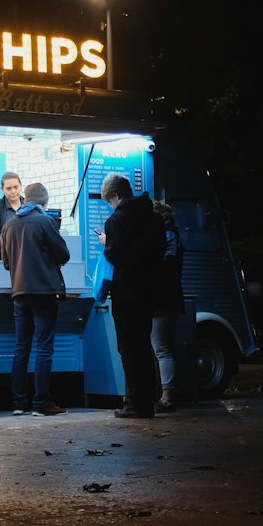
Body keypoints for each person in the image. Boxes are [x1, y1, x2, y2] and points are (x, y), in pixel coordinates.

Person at [98, 173, 166, 418]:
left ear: (115, 195)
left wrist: (107, 243)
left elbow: (115, 256)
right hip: (149, 289)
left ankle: (134, 403)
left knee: (128, 348)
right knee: (144, 345)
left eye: (108, 200)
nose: (109, 205)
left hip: (127, 291)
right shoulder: (155, 218)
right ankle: (147, 401)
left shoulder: (116, 220)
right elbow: (160, 250)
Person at [0, 181, 70, 417]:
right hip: (44, 293)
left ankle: (19, 403)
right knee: (44, 347)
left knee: (21, 348)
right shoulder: (45, 222)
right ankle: (42, 403)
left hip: (19, 293)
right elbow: (64, 254)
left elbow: (7, 262)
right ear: (43, 202)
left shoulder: (9, 225)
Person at [150, 199, 185, 412]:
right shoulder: (171, 236)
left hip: (163, 298)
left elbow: (165, 265)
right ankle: (165, 393)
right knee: (161, 348)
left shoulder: (169, 238)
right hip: (166, 298)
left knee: (162, 349)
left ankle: (167, 397)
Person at [0, 170, 24, 254]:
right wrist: (6, 241)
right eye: (9, 188)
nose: (13, 191)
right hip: (5, 254)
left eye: (16, 187)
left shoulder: (28, 205)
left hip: (26, 253)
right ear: (2, 190)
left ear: (21, 186)